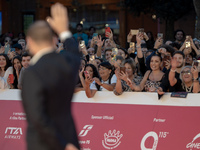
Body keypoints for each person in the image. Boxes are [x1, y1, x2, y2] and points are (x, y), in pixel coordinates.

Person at [21, 3, 80, 150]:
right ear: (54, 40)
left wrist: (64, 145)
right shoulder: (67, 63)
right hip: (70, 139)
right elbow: (75, 53)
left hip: (44, 145)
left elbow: (38, 118)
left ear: (29, 41)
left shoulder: (32, 73)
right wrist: (64, 32)